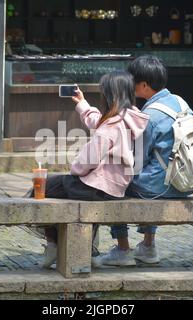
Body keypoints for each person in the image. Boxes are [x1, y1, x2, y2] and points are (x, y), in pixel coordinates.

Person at [31, 71, 149, 268]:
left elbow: (88, 160)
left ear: (111, 95)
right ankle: (80, 247)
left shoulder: (111, 124)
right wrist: (82, 103)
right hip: (116, 187)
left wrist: (74, 171)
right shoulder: (128, 117)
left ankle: (53, 245)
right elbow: (99, 121)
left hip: (98, 187)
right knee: (62, 189)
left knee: (45, 188)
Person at [95, 55, 193, 267]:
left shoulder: (149, 115)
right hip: (187, 181)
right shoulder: (181, 102)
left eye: (132, 81)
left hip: (163, 187)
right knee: (155, 171)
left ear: (143, 85)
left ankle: (122, 249)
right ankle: (148, 246)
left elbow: (136, 160)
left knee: (113, 183)